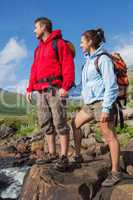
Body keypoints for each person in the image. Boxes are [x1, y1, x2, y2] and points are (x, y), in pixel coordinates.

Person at [71, 28, 122, 186]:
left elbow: (111, 86)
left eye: (82, 42)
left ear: (90, 42)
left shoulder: (103, 59)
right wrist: (68, 91)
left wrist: (106, 108)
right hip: (90, 104)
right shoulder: (87, 62)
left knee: (110, 137)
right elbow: (85, 87)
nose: (80, 45)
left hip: (102, 103)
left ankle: (115, 172)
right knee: (75, 124)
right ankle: (78, 156)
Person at [26, 17, 75, 171]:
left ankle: (63, 157)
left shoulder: (59, 44)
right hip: (40, 91)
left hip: (55, 89)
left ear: (43, 27)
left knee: (60, 122)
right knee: (45, 122)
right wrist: (29, 88)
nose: (34, 30)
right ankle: (52, 154)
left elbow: (68, 65)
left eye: (36, 27)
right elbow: (34, 69)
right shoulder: (38, 49)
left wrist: (66, 87)